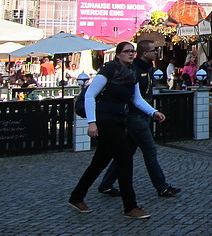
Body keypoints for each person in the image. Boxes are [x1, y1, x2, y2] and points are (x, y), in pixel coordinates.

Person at [68, 41, 166, 220]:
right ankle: (130, 206)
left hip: (119, 120)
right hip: (105, 121)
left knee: (99, 162)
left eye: (132, 51)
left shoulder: (132, 73)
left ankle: (76, 197)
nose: (131, 54)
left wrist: (153, 112)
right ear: (118, 54)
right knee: (125, 158)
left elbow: (136, 99)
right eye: (127, 51)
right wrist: (92, 122)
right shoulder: (108, 70)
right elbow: (90, 95)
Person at [97, 40, 181, 199]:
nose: (156, 52)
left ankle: (106, 184)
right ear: (145, 53)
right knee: (150, 150)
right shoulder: (133, 69)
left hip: (143, 113)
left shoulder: (147, 68)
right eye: (153, 50)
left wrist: (152, 112)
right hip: (134, 116)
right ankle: (162, 187)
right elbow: (134, 97)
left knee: (126, 152)